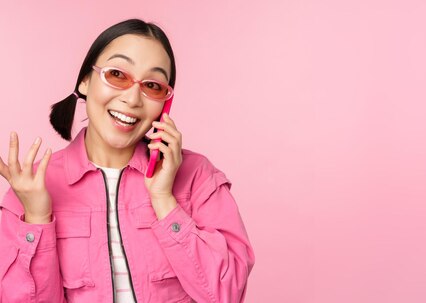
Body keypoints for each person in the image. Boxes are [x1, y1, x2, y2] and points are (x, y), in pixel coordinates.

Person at [0, 19, 255, 302]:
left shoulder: (198, 176)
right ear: (85, 81)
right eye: (118, 75)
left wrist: (164, 200)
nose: (133, 98)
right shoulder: (31, 188)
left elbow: (226, 294)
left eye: (152, 85)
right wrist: (37, 218)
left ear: (165, 103)